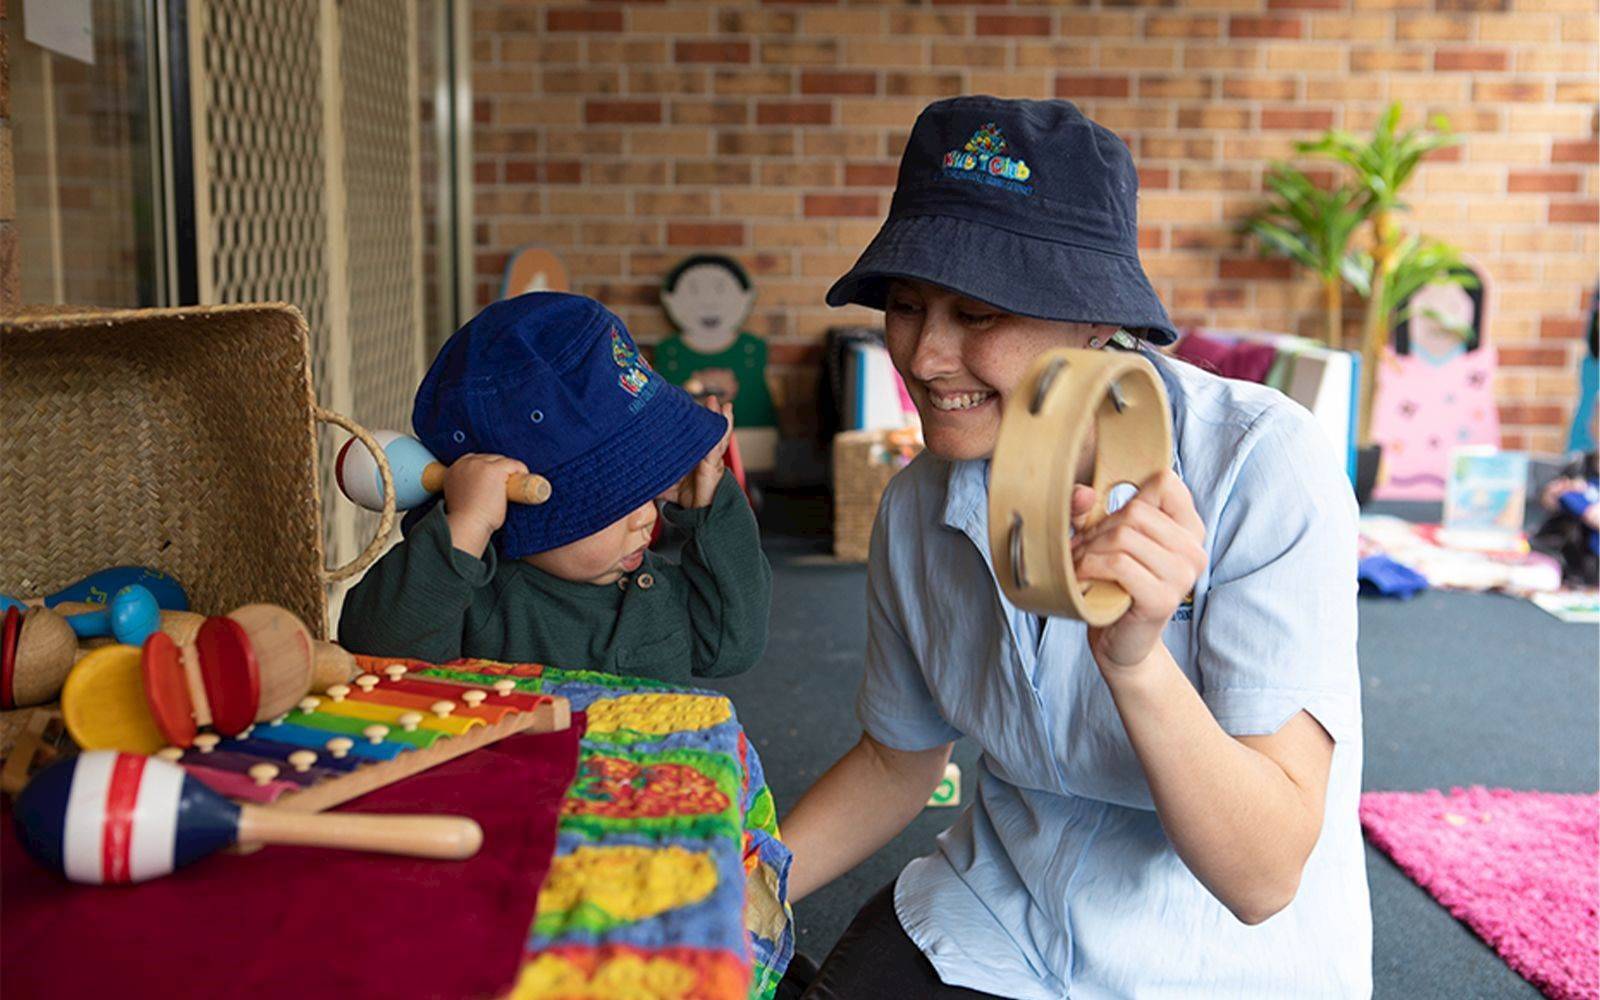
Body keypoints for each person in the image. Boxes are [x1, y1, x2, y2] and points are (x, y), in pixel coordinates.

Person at [778, 97, 1371, 998]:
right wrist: (742, 883)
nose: (926, 355)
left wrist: (1134, 661)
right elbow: (898, 762)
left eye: (977, 314)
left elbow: (1263, 877)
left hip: (1209, 958)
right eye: (905, 305)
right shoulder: (916, 504)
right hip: (995, 915)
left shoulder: (1261, 465)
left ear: (1098, 321)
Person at [338, 292, 772, 682]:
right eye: (612, 498)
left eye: (645, 486)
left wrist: (711, 508)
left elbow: (732, 647)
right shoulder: (480, 602)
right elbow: (382, 655)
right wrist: (466, 525)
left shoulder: (649, 590)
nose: (646, 516)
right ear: (513, 500)